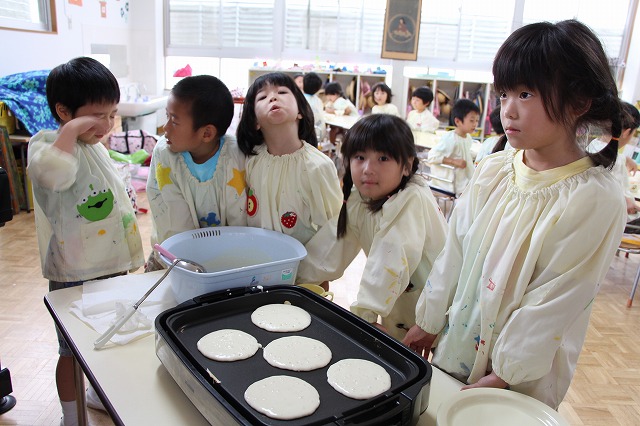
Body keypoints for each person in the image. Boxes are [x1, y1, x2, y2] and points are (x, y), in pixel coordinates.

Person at [402, 20, 627, 410]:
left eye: (525, 94)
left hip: (519, 369)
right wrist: (430, 319)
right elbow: (456, 249)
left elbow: (555, 297)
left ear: (579, 101)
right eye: (504, 94)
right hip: (459, 339)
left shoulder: (593, 198)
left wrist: (506, 372)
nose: (508, 109)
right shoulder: (495, 170)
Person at [27, 57, 145, 426]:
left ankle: (96, 394)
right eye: (97, 116)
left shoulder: (94, 145)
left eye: (112, 115)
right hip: (74, 272)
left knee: (108, 336)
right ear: (64, 111)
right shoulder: (48, 145)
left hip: (110, 266)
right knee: (71, 351)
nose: (107, 125)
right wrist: (71, 130)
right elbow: (53, 175)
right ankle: (71, 416)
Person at [296, 114, 447, 341]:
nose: (368, 168)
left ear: (407, 166)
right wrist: (297, 279)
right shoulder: (360, 199)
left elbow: (391, 258)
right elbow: (332, 246)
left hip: (437, 310)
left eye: (383, 158)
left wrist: (365, 314)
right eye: (360, 157)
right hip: (402, 306)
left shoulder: (411, 198)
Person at [145, 75, 247, 271]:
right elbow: (171, 217)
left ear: (206, 133)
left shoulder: (235, 156)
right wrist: (188, 264)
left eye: (174, 121)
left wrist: (227, 260)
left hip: (225, 256)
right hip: (174, 254)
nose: (165, 128)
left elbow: (239, 218)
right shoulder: (165, 154)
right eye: (167, 116)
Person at [236, 72, 342, 246]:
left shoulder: (318, 166)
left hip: (301, 262)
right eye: (262, 97)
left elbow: (334, 229)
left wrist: (309, 264)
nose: (273, 97)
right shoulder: (251, 160)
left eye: (282, 92)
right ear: (255, 120)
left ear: (300, 111)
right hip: (256, 258)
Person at [587, 101, 640, 222]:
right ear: (627, 132)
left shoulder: (593, 145)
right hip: (612, 219)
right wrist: (628, 201)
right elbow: (620, 200)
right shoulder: (616, 161)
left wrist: (626, 159)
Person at [426, 98, 480, 195]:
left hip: (465, 180)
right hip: (451, 185)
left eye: (477, 120)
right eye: (472, 120)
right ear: (458, 121)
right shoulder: (450, 139)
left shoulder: (468, 138)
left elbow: (465, 152)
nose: (475, 124)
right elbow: (432, 156)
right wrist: (454, 161)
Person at [302, 72, 327, 142]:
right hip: (320, 132)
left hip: (306, 135)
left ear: (303, 84)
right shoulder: (318, 100)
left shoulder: (301, 99)